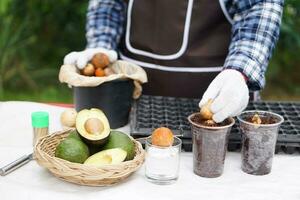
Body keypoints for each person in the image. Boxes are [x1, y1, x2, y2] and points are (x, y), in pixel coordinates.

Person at [64, 0, 283, 123]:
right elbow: (108, 3)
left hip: (221, 109)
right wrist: (101, 43)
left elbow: (261, 6)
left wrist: (240, 71)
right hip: (130, 110)